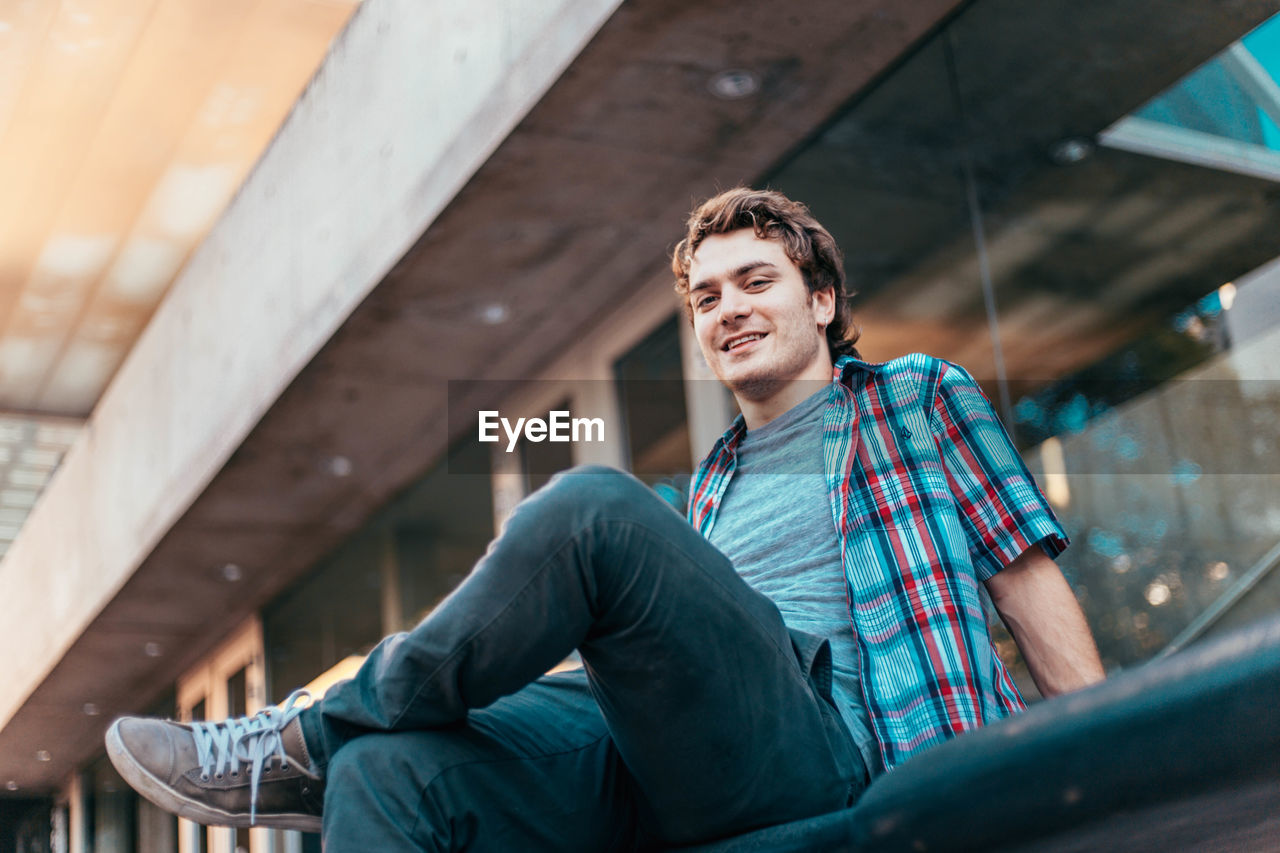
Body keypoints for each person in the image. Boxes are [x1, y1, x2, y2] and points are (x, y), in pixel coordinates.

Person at [106, 188, 1105, 851]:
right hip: (671, 762)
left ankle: (300, 738)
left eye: (755, 281)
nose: (728, 309)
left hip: (835, 745)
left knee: (592, 506)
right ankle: (337, 743)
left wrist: (1107, 760)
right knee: (391, 769)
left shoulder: (908, 398)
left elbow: (1021, 574)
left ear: (821, 297)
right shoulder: (707, 484)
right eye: (706, 297)